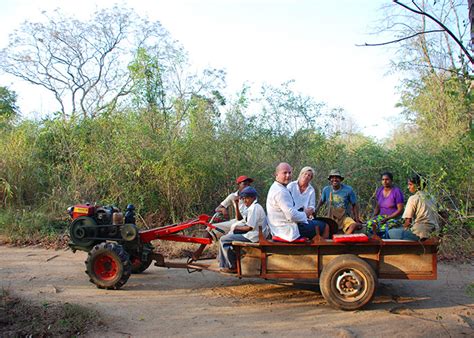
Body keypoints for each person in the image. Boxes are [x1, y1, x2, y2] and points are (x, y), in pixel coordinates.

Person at [266, 162, 329, 241]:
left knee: (315, 223)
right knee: (325, 226)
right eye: (284, 173)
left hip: (285, 224)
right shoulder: (283, 190)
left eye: (289, 173)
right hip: (288, 229)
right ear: (276, 174)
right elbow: (291, 215)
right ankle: (321, 251)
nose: (288, 175)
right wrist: (305, 214)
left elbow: (311, 206)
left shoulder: (279, 187)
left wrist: (308, 212)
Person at [218, 186, 269, 273]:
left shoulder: (255, 208)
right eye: (243, 198)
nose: (245, 200)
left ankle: (231, 266)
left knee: (224, 239)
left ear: (253, 198)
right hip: (254, 234)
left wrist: (236, 227)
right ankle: (230, 261)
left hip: (254, 236)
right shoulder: (252, 207)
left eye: (247, 198)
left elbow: (249, 227)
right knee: (231, 235)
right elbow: (244, 221)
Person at [388, 174, 439, 240]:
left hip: (420, 234)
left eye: (410, 184)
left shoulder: (413, 198)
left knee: (390, 232)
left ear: (417, 185)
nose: (408, 187)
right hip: (435, 232)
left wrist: (403, 228)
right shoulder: (432, 197)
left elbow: (408, 222)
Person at [315, 169, 362, 234]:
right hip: (330, 217)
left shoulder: (348, 190)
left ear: (340, 179)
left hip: (344, 217)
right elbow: (321, 201)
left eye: (337, 177)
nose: (334, 179)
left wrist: (357, 219)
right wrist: (315, 211)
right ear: (330, 179)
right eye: (332, 177)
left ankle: (345, 238)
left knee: (353, 225)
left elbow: (354, 204)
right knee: (319, 226)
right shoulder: (326, 190)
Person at [208, 175, 254, 240]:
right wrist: (223, 209)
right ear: (238, 185)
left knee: (233, 229)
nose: (247, 186)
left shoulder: (251, 196)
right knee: (210, 228)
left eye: (249, 185)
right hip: (237, 221)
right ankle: (200, 250)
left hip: (247, 222)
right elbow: (217, 208)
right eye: (245, 184)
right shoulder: (233, 196)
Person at [366, 172, 404, 238]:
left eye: (387, 179)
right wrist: (374, 216)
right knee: (369, 224)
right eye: (383, 180)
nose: (385, 181)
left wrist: (388, 218)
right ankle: (374, 241)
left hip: (393, 218)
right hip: (382, 217)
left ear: (391, 180)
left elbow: (400, 209)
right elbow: (378, 206)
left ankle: (384, 244)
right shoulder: (380, 190)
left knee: (384, 229)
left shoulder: (396, 191)